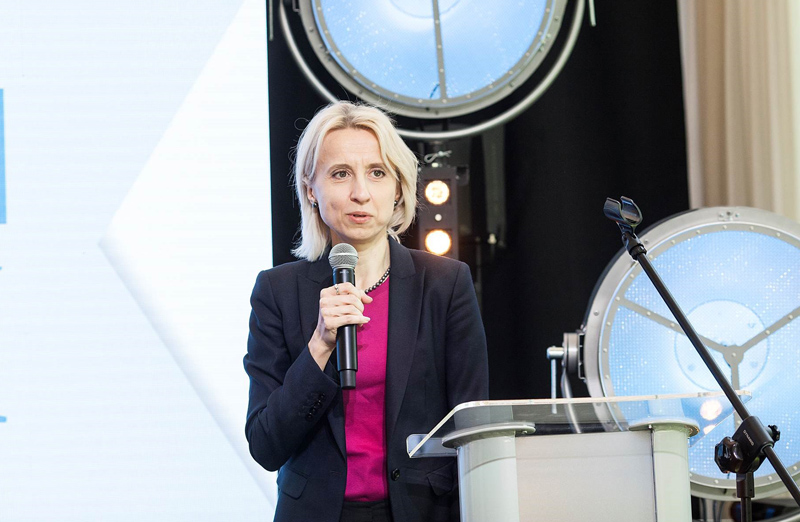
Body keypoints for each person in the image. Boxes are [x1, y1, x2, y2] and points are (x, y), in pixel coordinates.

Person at [244, 101, 489, 522]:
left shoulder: (445, 284)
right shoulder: (277, 291)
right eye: (340, 174)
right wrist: (320, 345)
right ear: (311, 188)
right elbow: (266, 446)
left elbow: (473, 431)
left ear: (398, 188)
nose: (360, 192)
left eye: (377, 173)